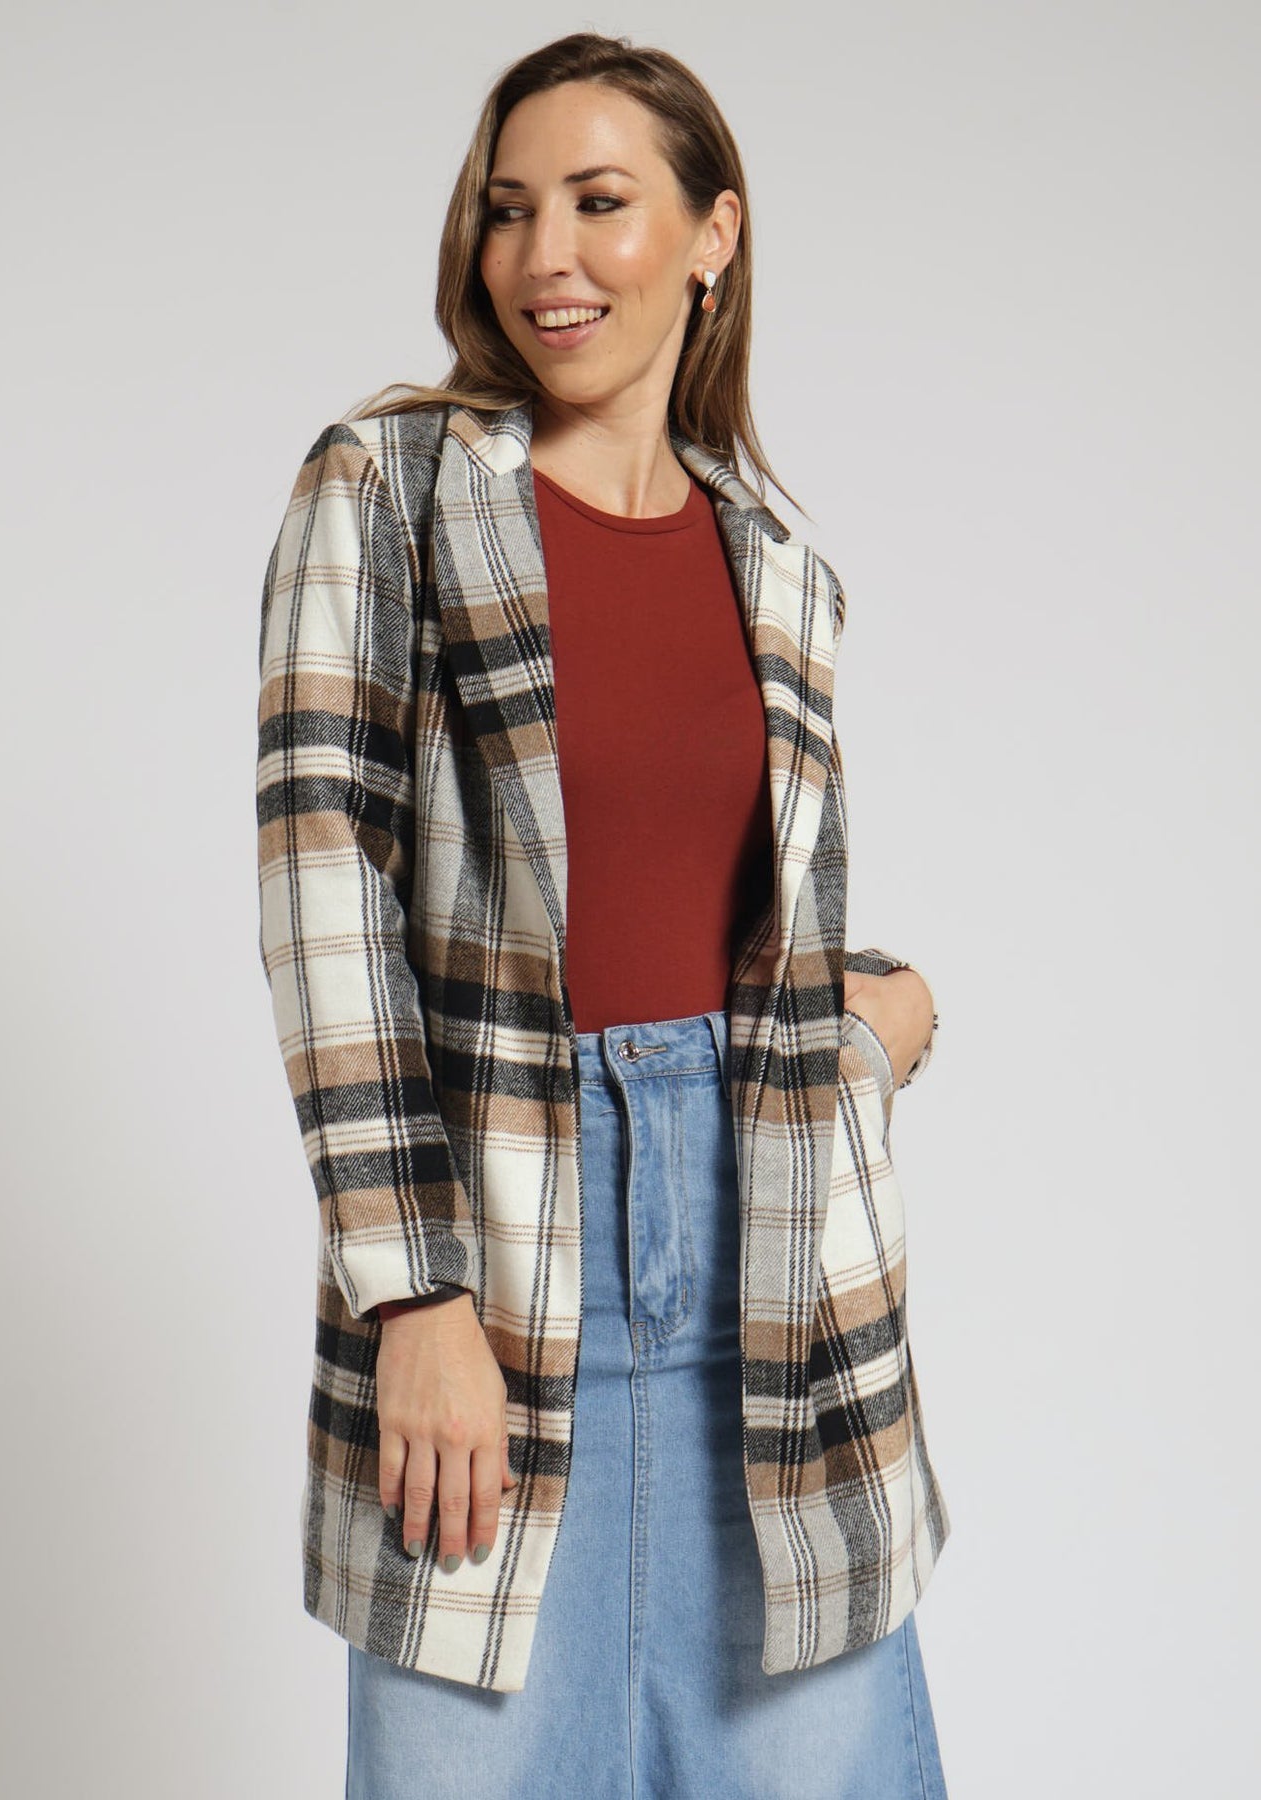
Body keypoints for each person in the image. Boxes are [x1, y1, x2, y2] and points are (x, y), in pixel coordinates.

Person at [256, 28, 951, 1799]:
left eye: (597, 202)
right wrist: (414, 1295)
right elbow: (325, 887)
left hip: (781, 1286)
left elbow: (757, 934)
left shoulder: (779, 568)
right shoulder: (392, 489)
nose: (545, 255)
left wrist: (874, 1025)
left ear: (713, 234)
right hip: (497, 1259)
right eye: (510, 209)